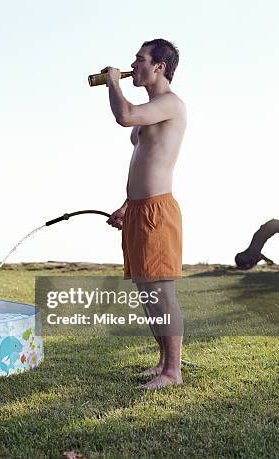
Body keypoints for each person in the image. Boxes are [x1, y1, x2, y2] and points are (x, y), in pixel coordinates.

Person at [104, 38, 187, 389]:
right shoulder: (152, 108)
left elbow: (124, 116)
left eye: (140, 60)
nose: (133, 65)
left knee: (161, 292)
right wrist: (126, 203)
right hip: (138, 209)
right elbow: (140, 161)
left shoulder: (170, 104)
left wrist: (112, 83)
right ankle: (162, 364)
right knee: (147, 293)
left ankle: (174, 371)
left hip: (157, 209)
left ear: (159, 67)